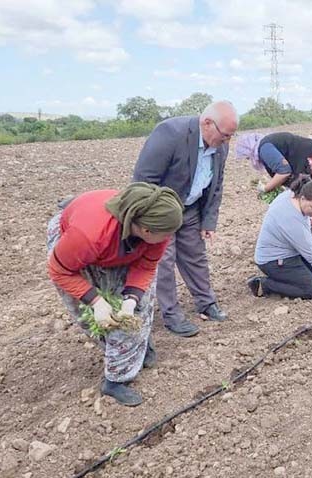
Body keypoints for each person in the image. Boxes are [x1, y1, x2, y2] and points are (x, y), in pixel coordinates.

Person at [47, 183, 183, 406]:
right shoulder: (88, 236)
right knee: (100, 316)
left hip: (117, 245)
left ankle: (137, 347)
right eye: (166, 235)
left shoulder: (160, 229)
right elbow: (59, 270)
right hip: (75, 249)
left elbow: (146, 266)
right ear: (146, 231)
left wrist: (131, 299)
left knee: (135, 311)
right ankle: (114, 382)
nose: (169, 238)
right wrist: (96, 301)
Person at [132, 101, 237, 337]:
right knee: (164, 262)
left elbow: (216, 183)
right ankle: (171, 315)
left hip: (190, 209)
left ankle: (206, 303)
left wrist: (209, 220)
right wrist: (150, 220)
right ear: (207, 123)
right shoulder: (170, 133)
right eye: (225, 135)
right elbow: (143, 179)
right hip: (160, 211)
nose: (228, 141)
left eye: (231, 136)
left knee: (195, 255)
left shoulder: (221, 145)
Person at [248, 177, 312, 302]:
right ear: (303, 198)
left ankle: (302, 279)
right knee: (311, 291)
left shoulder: (293, 195)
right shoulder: (292, 220)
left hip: (287, 250)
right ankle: (264, 285)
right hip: (273, 261)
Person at [235, 130, 312, 234]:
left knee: (311, 199)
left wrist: (265, 188)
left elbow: (284, 172)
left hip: (310, 162)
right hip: (310, 159)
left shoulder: (264, 148)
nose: (249, 159)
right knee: (309, 200)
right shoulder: (267, 144)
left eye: (248, 157)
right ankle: (309, 232)